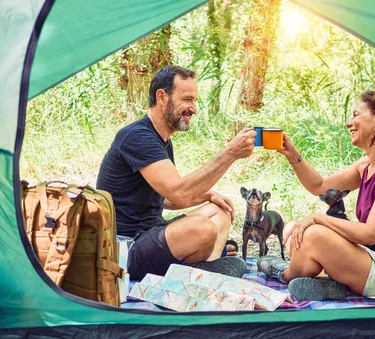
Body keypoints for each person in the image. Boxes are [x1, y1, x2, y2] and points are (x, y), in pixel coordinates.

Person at [258, 87, 375, 301]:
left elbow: (370, 233)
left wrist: (319, 218)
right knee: (292, 230)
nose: (348, 123)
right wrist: (292, 154)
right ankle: (332, 285)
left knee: (313, 234)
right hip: (368, 258)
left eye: (356, 115)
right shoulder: (367, 164)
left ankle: (285, 273)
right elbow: (319, 186)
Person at [97, 66, 256, 281]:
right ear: (162, 96)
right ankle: (203, 269)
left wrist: (208, 196)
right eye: (187, 99)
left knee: (220, 211)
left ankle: (206, 267)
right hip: (125, 249)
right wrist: (230, 153)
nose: (194, 109)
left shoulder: (162, 141)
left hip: (151, 233)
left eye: (194, 101)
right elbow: (178, 193)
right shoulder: (137, 137)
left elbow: (163, 198)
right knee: (202, 229)